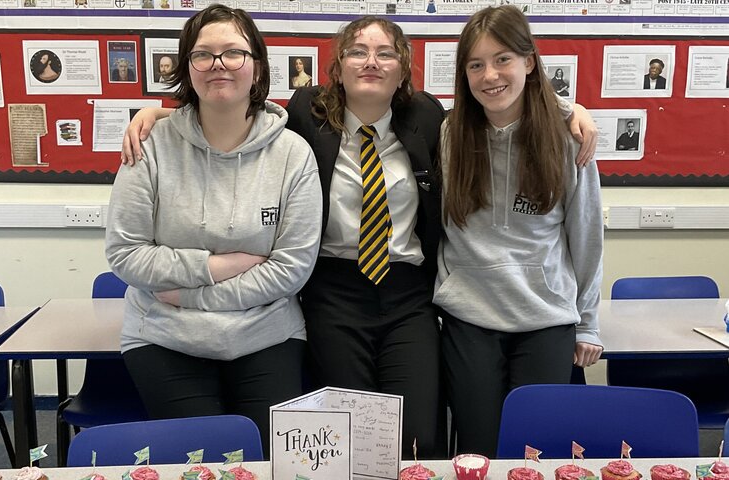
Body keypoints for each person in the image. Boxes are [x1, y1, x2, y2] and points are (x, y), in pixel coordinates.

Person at [120, 15, 599, 461]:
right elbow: (235, 105)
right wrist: (160, 114)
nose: (371, 61)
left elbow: (501, 100)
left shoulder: (429, 118)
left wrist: (568, 109)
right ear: (338, 65)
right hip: (334, 289)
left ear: (402, 69)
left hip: (408, 292)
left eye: (385, 53)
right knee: (344, 436)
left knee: (418, 439)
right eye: (357, 51)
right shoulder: (307, 114)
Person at [105, 4, 322, 459]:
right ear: (187, 66)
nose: (218, 65)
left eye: (233, 53)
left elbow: (292, 269)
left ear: (257, 64)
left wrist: (188, 293)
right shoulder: (148, 145)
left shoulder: (293, 154)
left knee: (270, 460)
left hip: (267, 332)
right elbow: (126, 255)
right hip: (164, 334)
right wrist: (217, 265)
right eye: (203, 55)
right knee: (200, 459)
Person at [437, 5, 603, 458]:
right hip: (470, 317)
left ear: (529, 62)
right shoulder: (451, 133)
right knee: (478, 451)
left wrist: (588, 323)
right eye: (476, 64)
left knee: (538, 451)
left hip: (545, 318)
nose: (490, 75)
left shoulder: (568, 139)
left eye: (503, 59)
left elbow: (586, 237)